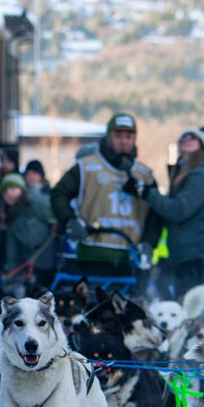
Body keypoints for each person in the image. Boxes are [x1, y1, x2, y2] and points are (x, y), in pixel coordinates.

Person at [50, 113, 158, 291]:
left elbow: (155, 214)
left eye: (128, 136)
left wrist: (149, 242)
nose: (123, 141)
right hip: (90, 253)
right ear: (108, 137)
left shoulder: (145, 175)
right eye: (118, 136)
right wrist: (70, 221)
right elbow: (59, 194)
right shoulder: (86, 167)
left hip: (129, 256)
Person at [146, 129, 204, 302]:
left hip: (201, 256)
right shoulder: (189, 172)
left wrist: (147, 193)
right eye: (182, 137)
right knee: (189, 314)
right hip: (191, 255)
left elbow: (179, 210)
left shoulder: (202, 174)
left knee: (200, 317)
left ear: (203, 146)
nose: (185, 139)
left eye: (193, 138)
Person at [0, 173, 58, 299]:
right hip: (27, 263)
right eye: (6, 190)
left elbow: (55, 221)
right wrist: (10, 273)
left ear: (22, 190)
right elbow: (11, 247)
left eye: (14, 189)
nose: (10, 193)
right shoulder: (8, 215)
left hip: (46, 258)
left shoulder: (35, 202)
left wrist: (56, 223)